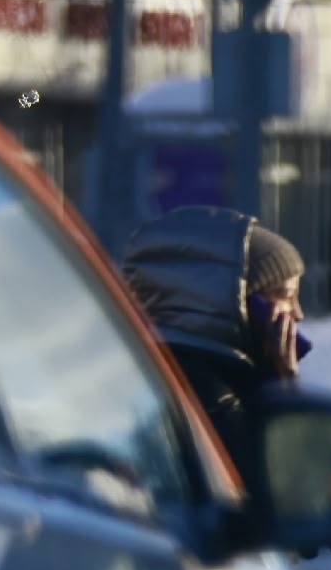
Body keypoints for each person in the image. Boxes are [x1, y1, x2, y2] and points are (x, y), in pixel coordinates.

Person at [119, 206, 309, 500]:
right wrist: (283, 387)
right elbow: (288, 495)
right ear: (238, 303)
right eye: (285, 295)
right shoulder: (209, 394)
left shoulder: (174, 371)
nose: (298, 313)